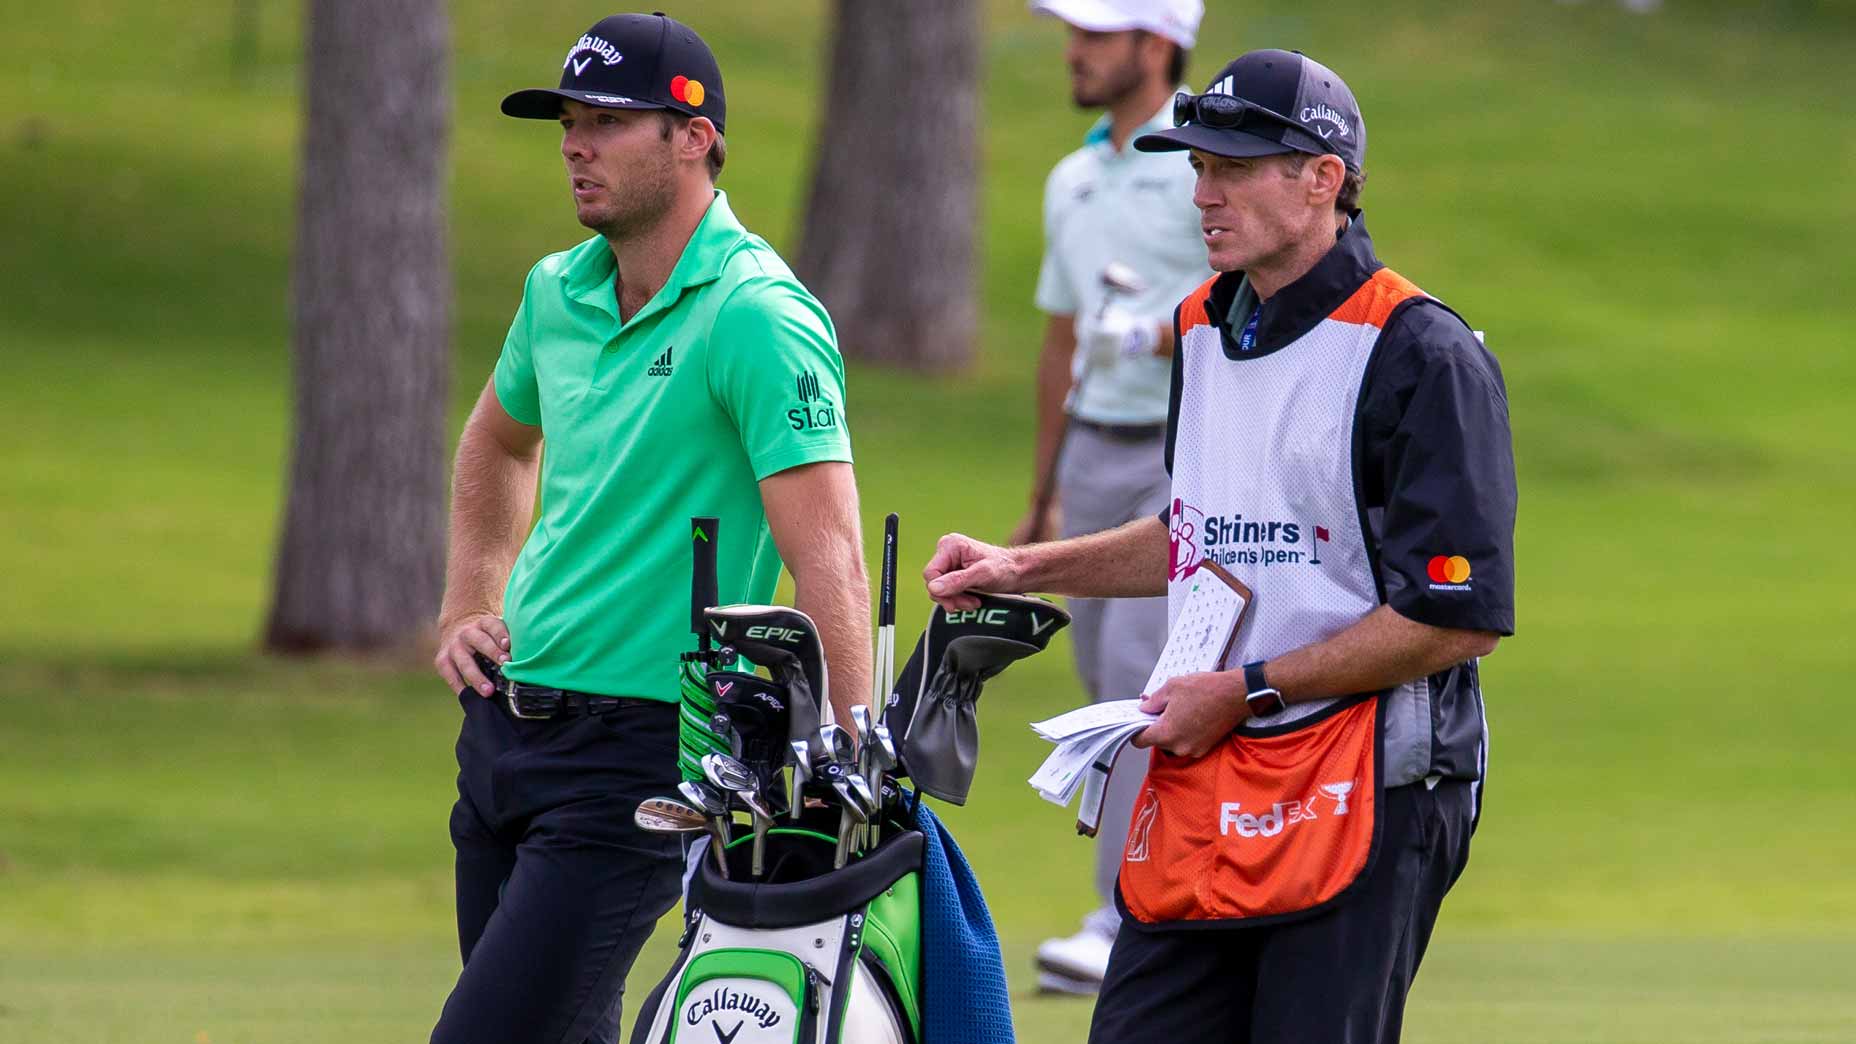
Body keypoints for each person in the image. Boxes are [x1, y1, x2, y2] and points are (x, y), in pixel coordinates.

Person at [925, 49, 1516, 1043]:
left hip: (1371, 776)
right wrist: (1023, 566)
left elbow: (1451, 621)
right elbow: (1190, 535)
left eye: (1233, 169)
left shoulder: (1419, 351)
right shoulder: (1201, 325)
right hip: (1213, 765)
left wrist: (1240, 692)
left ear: (1322, 180)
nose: (1201, 191)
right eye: (1195, 167)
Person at [427, 14, 871, 1043]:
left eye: (607, 123)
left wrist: (846, 754)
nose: (576, 145)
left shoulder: (755, 313)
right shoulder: (556, 290)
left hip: (640, 759)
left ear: (693, 137)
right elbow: (496, 445)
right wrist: (467, 600)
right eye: (568, 123)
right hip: (503, 730)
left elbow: (830, 554)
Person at [1017, 0, 1212, 995]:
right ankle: (1148, 901)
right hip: (1093, 452)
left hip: (1190, 453)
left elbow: (1257, 295)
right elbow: (1062, 342)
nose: (1074, 50)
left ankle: (1127, 915)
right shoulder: (1073, 176)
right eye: (1072, 32)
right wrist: (1041, 495)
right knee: (1104, 680)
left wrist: (1153, 331)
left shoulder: (1208, 158)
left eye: (1095, 32)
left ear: (1154, 41)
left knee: (1147, 682)